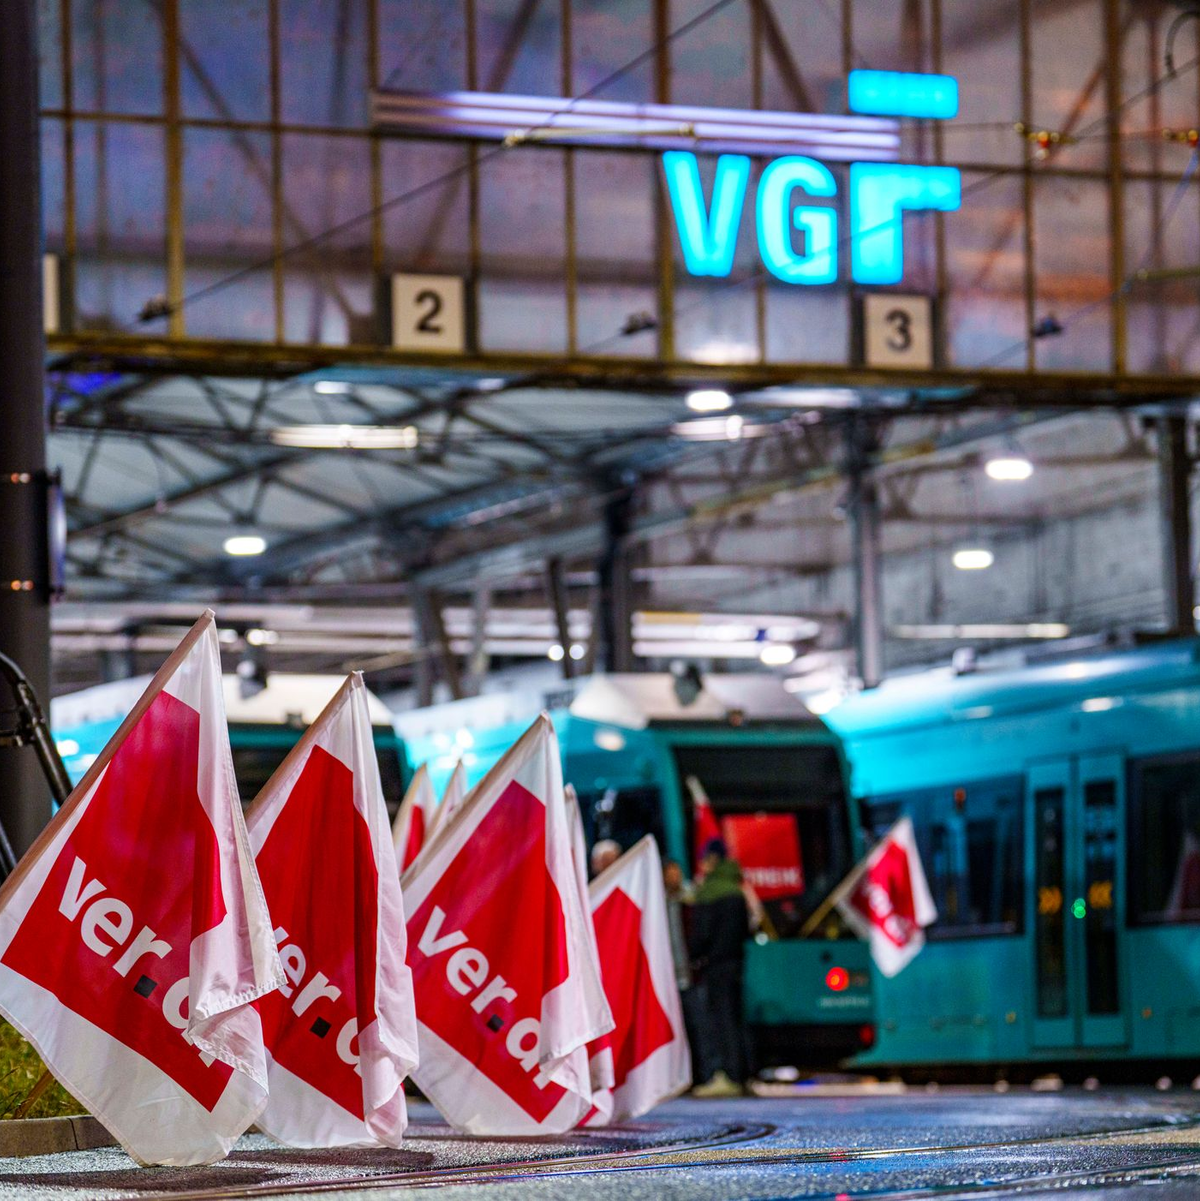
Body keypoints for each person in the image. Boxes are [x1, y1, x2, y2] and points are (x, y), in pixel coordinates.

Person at [687, 838, 750, 1098]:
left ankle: (726, 1075)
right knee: (735, 1018)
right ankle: (741, 1074)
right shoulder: (737, 890)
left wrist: (694, 955)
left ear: (713, 860)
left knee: (719, 1020)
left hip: (715, 965)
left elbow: (702, 934)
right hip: (736, 962)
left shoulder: (710, 891)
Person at [662, 858, 706, 1086]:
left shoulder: (691, 898)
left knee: (698, 1027)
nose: (674, 877)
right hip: (667, 978)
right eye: (670, 873)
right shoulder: (657, 903)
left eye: (676, 872)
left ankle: (702, 1076)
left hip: (690, 974)